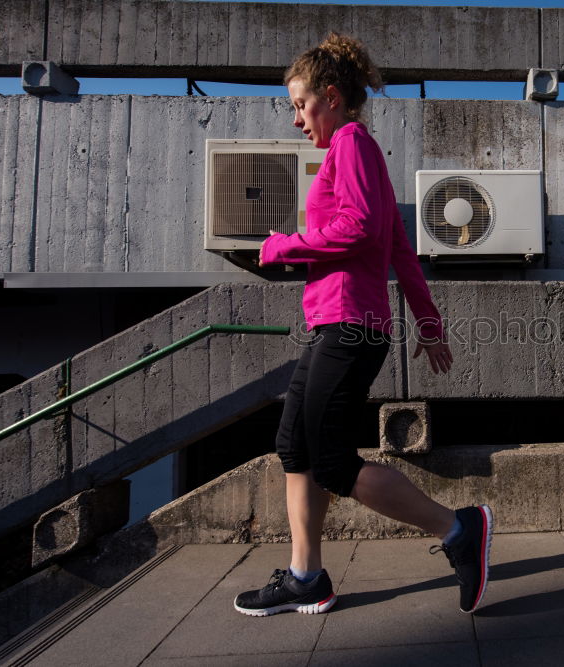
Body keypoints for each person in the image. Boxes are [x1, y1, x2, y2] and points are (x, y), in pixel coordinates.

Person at [234, 33, 492, 616]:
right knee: (293, 445)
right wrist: (428, 321)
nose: (297, 119)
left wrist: (282, 247)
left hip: (350, 323)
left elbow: (357, 230)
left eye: (300, 105)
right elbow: (399, 246)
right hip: (341, 322)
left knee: (330, 461)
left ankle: (460, 530)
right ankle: (306, 577)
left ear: (330, 97)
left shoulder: (350, 143)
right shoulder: (360, 150)